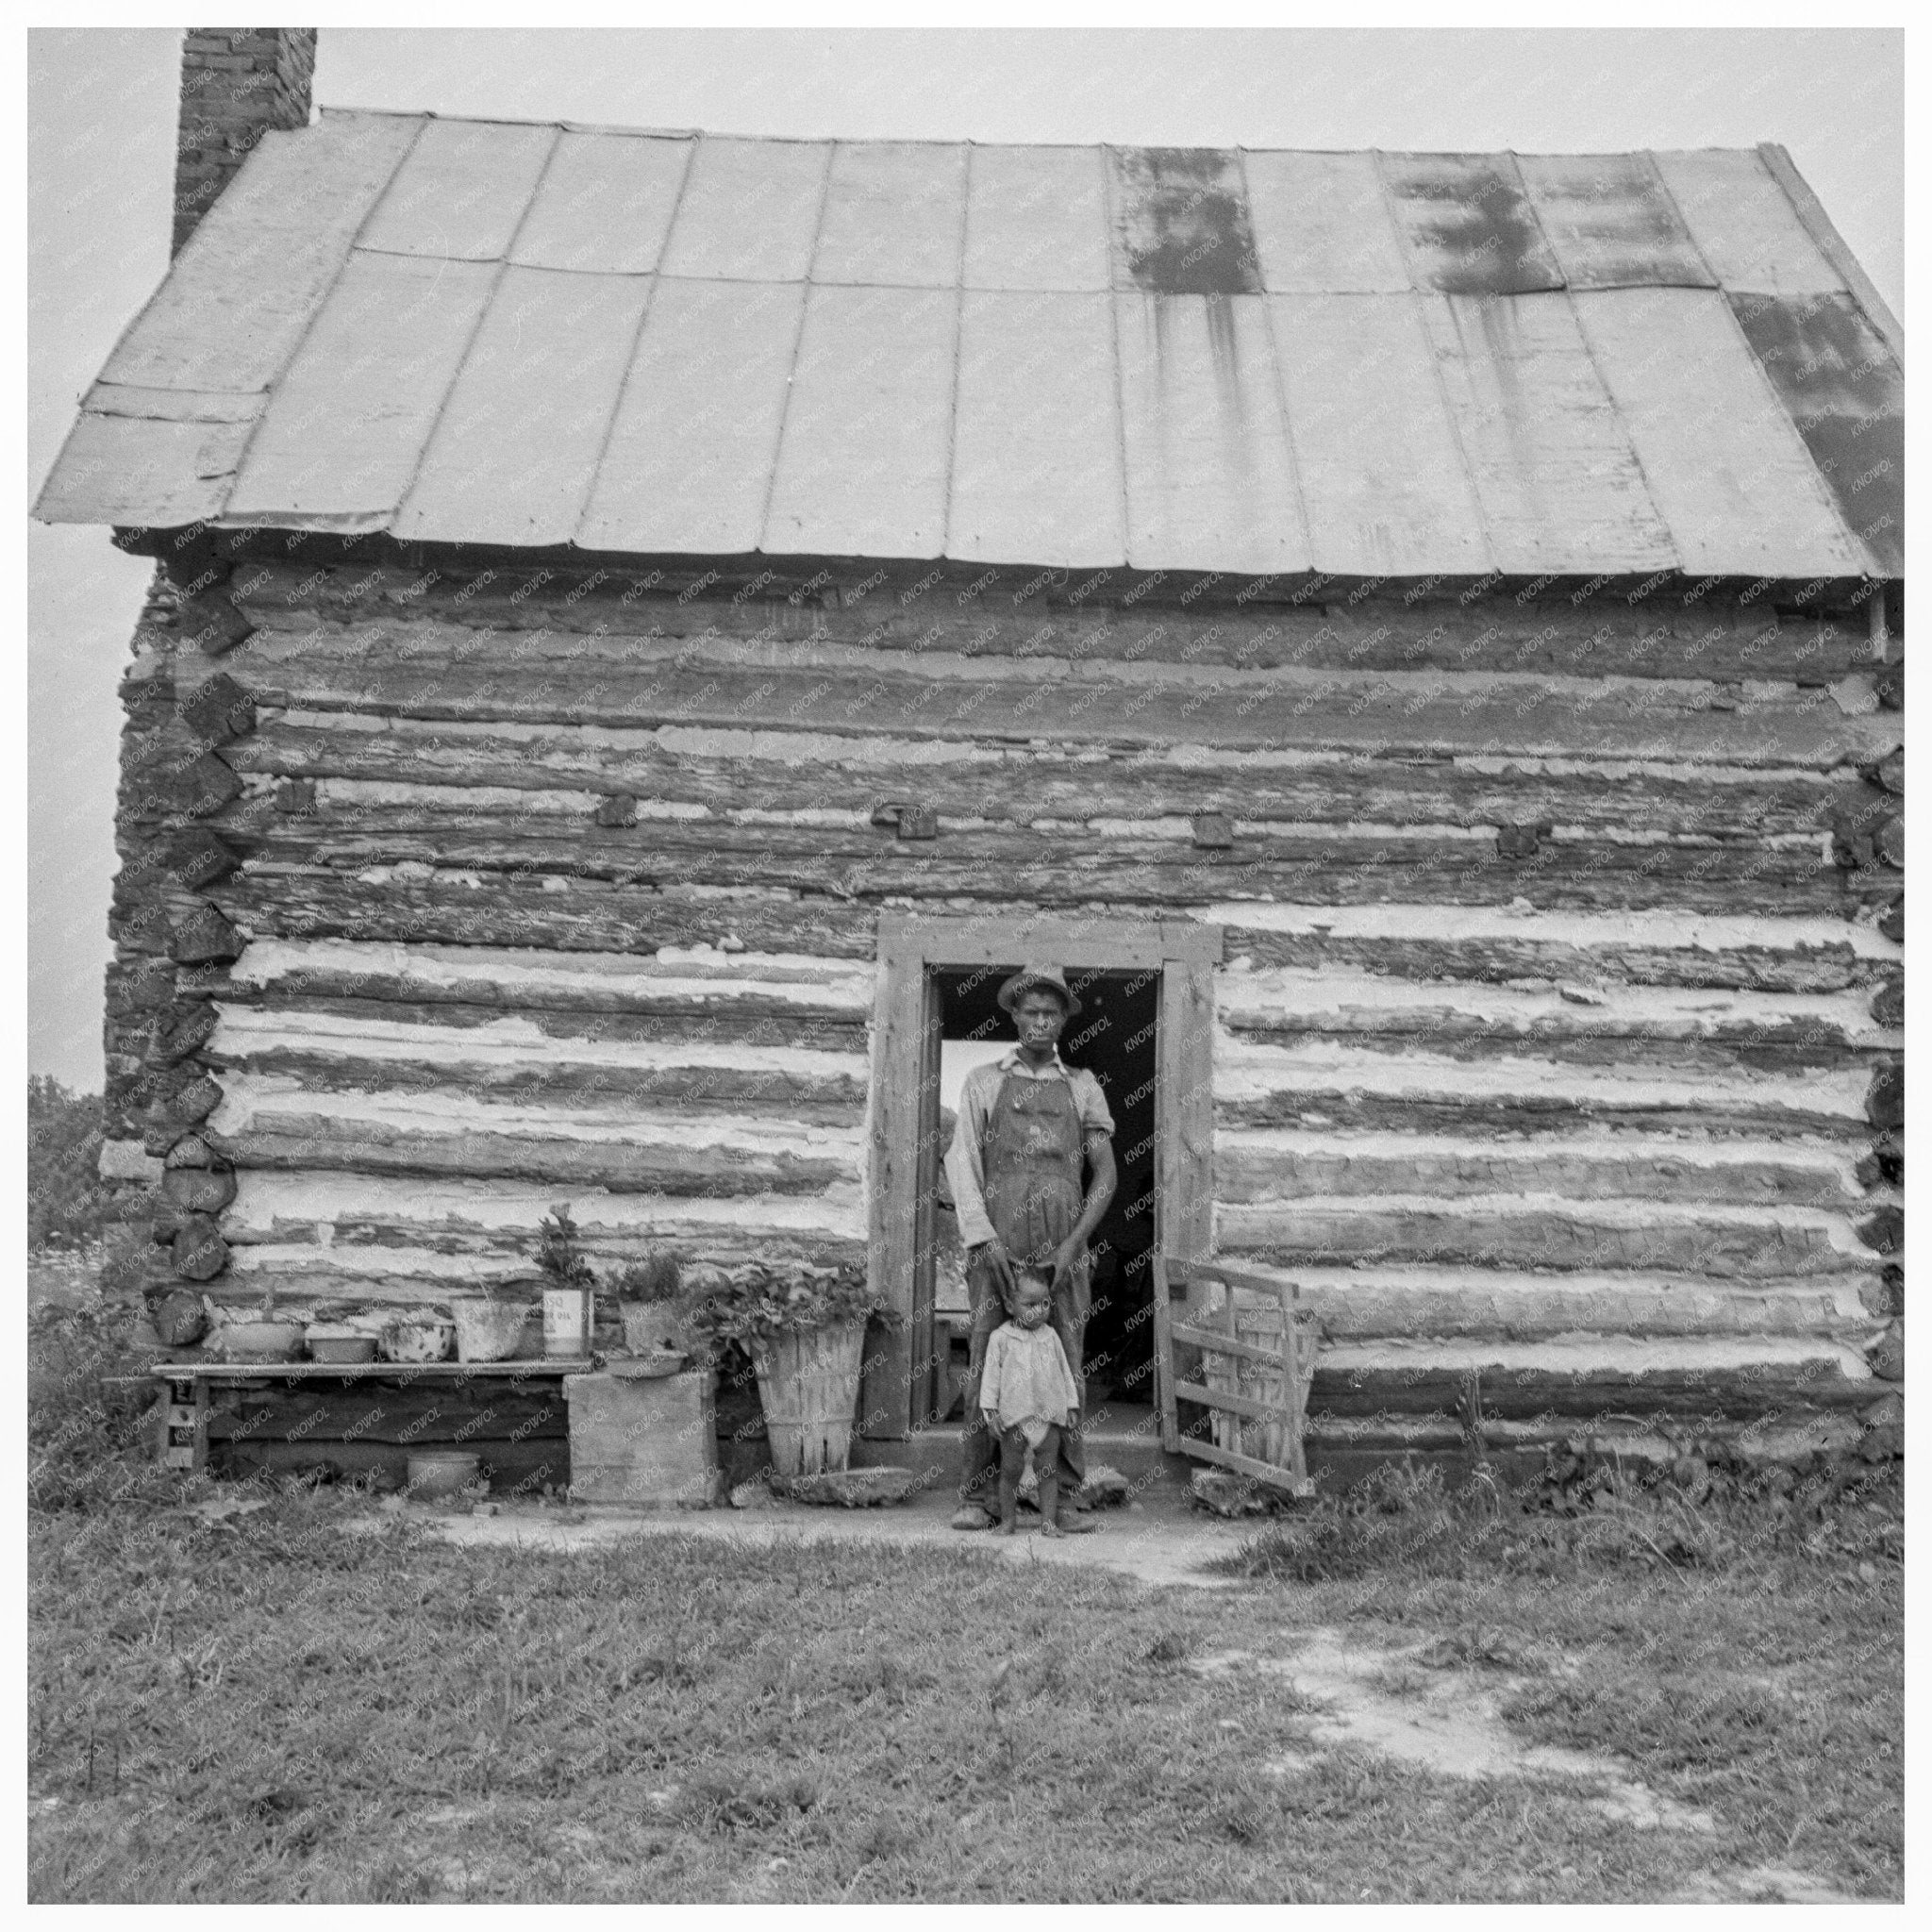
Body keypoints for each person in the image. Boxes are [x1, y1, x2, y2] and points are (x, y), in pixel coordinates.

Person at [944, 964, 1117, 1532]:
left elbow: (1107, 1177)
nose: (1040, 1022)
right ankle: (979, 1496)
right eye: (1030, 1012)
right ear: (1014, 1016)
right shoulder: (982, 1081)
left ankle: (1061, 1498)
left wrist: (1072, 1244)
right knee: (988, 1359)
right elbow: (961, 1163)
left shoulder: (1085, 1084)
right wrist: (983, 1237)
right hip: (996, 1241)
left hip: (1063, 1242)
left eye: (1051, 1012)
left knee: (1065, 1362)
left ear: (1064, 1018)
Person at [980, 1268, 1082, 1536]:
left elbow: (1065, 1371)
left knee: (1047, 1470)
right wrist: (990, 1413)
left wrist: (1071, 1405)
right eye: (1030, 1305)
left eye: (1045, 1303)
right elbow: (990, 1379)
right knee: (1010, 1470)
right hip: (1013, 1417)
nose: (1039, 1310)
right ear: (1010, 1305)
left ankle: (1048, 1523)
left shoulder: (1051, 1337)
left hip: (1048, 1417)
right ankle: (1008, 1521)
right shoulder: (1000, 1339)